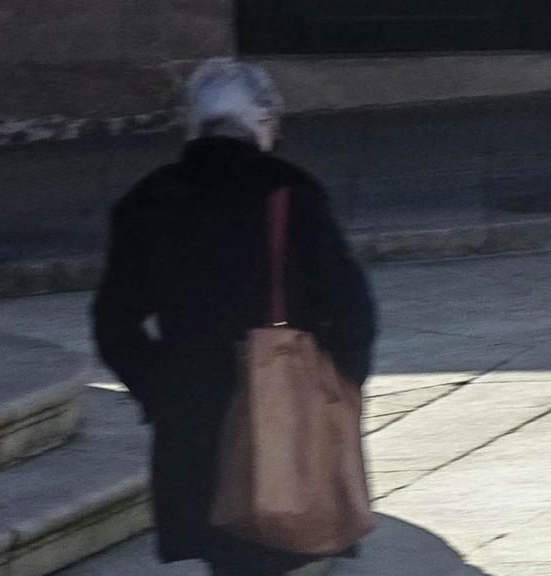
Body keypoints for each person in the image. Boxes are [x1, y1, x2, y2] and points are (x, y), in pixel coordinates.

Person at [93, 59, 377, 576]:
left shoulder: (148, 201)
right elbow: (353, 311)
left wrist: (160, 388)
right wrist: (334, 385)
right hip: (278, 409)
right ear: (262, 122)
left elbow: (113, 323)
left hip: (191, 416)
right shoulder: (292, 194)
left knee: (221, 555)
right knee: (268, 549)